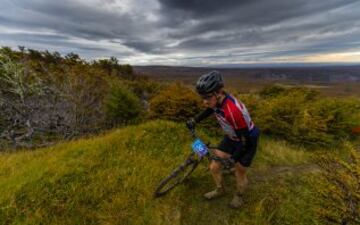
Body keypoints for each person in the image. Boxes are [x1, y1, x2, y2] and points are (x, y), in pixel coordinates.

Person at [186, 71, 260, 209]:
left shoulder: (233, 111)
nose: (204, 101)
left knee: (239, 170)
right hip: (232, 137)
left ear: (218, 92)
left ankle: (239, 195)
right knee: (214, 166)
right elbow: (210, 109)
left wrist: (234, 158)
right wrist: (194, 120)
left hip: (248, 139)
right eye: (202, 97)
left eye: (207, 97)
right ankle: (220, 189)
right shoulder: (217, 101)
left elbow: (245, 142)